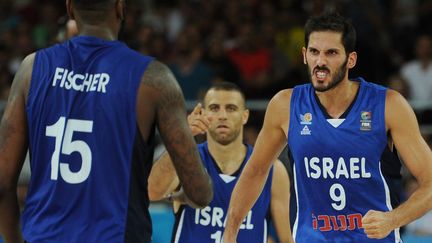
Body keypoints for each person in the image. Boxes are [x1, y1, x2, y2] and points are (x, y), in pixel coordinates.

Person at [0, 0, 213, 242]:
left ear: (69, 8)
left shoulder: (32, 68)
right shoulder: (154, 79)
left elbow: (3, 184)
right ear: (120, 7)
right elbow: (200, 192)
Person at [223, 12, 432, 243]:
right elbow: (256, 171)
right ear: (304, 55)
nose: (320, 62)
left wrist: (393, 219)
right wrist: (230, 233)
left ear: (350, 59)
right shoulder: (285, 105)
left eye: (331, 53)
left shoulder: (388, 105)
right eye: (314, 52)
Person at [148, 81, 293, 243]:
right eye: (214, 108)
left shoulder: (272, 170)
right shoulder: (187, 161)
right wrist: (182, 138)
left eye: (231, 108)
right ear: (202, 113)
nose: (222, 115)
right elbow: (152, 191)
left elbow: (287, 239)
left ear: (245, 116)